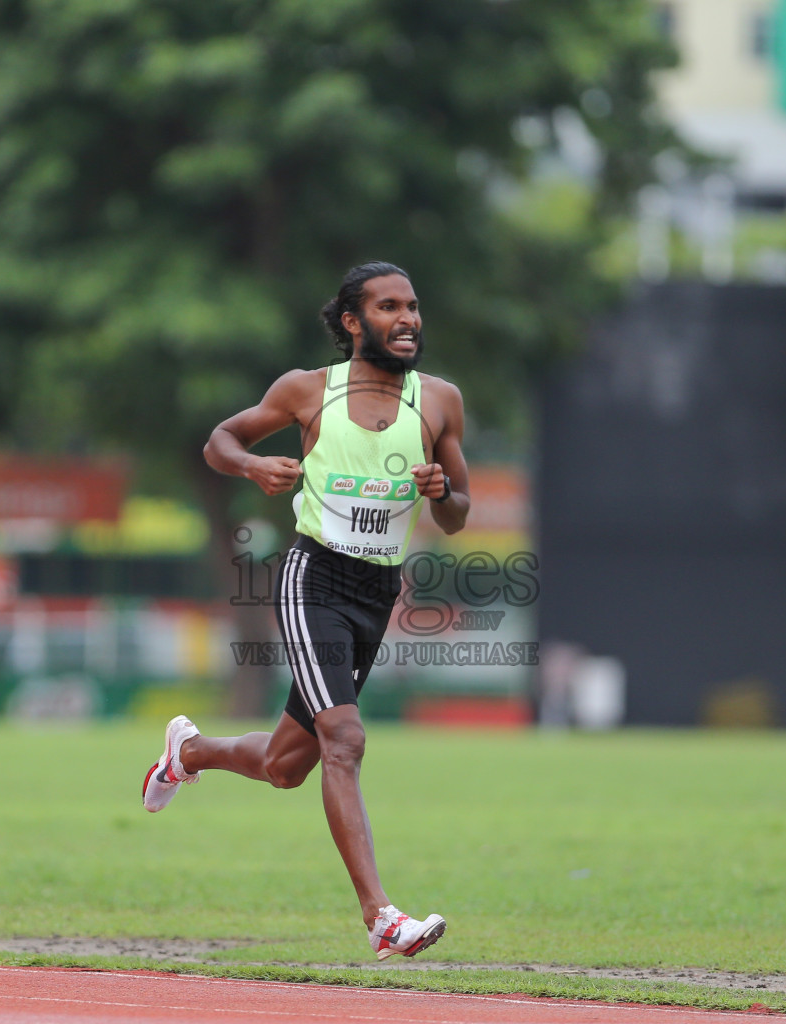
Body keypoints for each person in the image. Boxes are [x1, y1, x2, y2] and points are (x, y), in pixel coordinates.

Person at [142, 262, 470, 960]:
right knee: (343, 742)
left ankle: (188, 752)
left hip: (376, 594)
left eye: (413, 306)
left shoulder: (439, 401)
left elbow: (458, 513)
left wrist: (442, 490)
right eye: (389, 307)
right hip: (313, 577)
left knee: (289, 766)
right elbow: (220, 441)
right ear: (353, 322)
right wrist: (254, 467)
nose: (408, 319)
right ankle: (382, 917)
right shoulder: (307, 390)